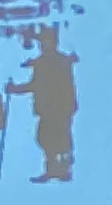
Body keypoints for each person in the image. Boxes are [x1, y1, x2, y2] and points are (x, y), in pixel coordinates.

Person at [27, 30, 78, 184]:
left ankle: (62, 169)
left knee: (55, 138)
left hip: (57, 107)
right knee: (47, 138)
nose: (42, 46)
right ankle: (55, 169)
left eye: (45, 42)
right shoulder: (57, 60)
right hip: (54, 108)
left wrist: (15, 89)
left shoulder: (47, 62)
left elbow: (36, 85)